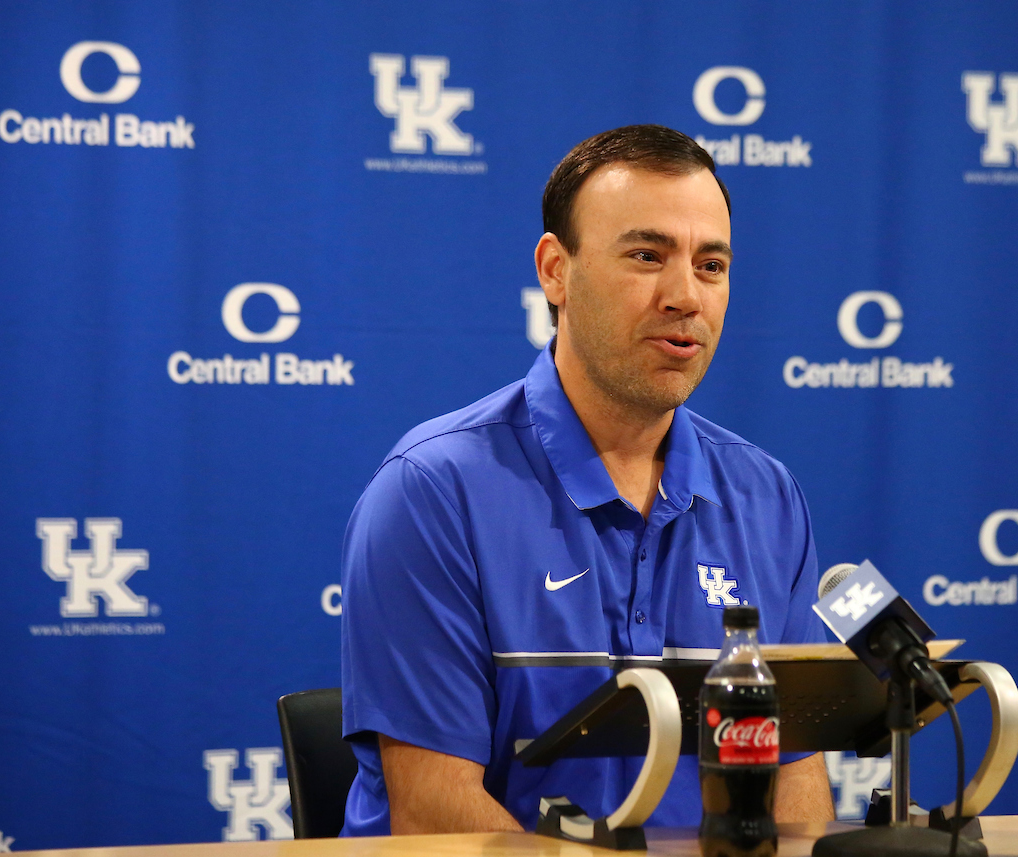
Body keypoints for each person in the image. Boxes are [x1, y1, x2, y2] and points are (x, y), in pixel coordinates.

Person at [339, 125, 836, 836]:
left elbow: (794, 773)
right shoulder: (432, 490)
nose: (685, 296)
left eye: (712, 264)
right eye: (646, 255)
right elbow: (433, 810)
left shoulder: (767, 495)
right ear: (554, 270)